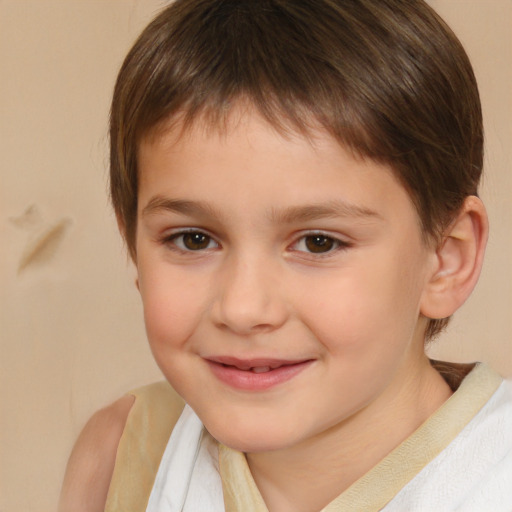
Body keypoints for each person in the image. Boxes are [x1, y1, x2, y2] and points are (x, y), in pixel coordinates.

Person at [59, 0, 512, 510]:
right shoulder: (124, 459)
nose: (243, 308)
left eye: (318, 242)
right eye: (193, 239)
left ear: (446, 259)